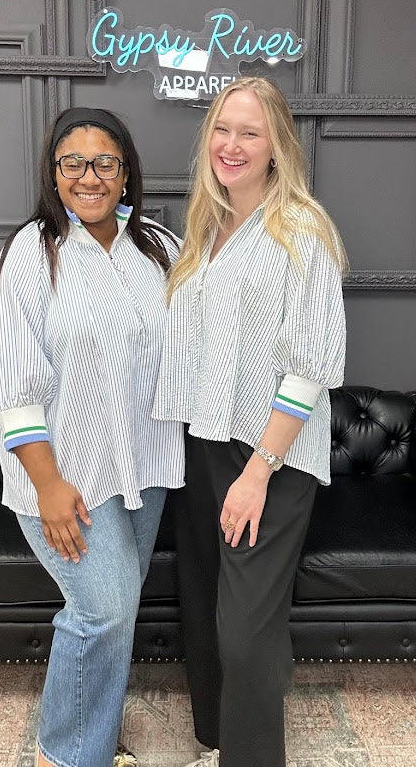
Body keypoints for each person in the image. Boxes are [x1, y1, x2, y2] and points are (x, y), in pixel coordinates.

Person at [0, 107, 184, 767]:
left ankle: (93, 740)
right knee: (103, 610)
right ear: (53, 171)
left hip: (144, 469)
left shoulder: (158, 245)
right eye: (74, 162)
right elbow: (11, 381)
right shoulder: (31, 253)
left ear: (126, 174)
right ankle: (66, 756)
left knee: (117, 613)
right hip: (64, 474)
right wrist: (47, 483)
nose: (89, 176)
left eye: (105, 163)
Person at [153, 77, 348, 767]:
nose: (231, 145)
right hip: (203, 442)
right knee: (205, 610)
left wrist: (259, 471)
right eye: (222, 129)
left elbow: (310, 364)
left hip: (269, 456)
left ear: (276, 146)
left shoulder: (301, 231)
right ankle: (217, 742)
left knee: (245, 631)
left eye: (250, 132)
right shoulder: (205, 229)